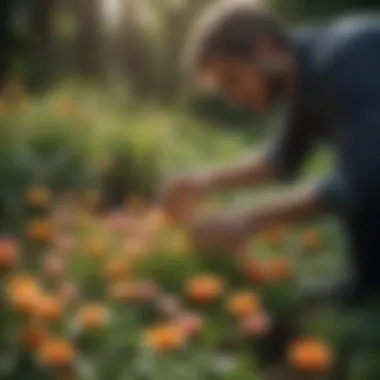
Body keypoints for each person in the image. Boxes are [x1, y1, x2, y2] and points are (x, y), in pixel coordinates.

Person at [160, 1, 380, 378]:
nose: (233, 97)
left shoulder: (347, 59)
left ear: (265, 48)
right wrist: (202, 182)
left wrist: (246, 221)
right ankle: (368, 285)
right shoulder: (303, 72)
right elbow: (279, 161)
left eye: (232, 80)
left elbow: (365, 175)